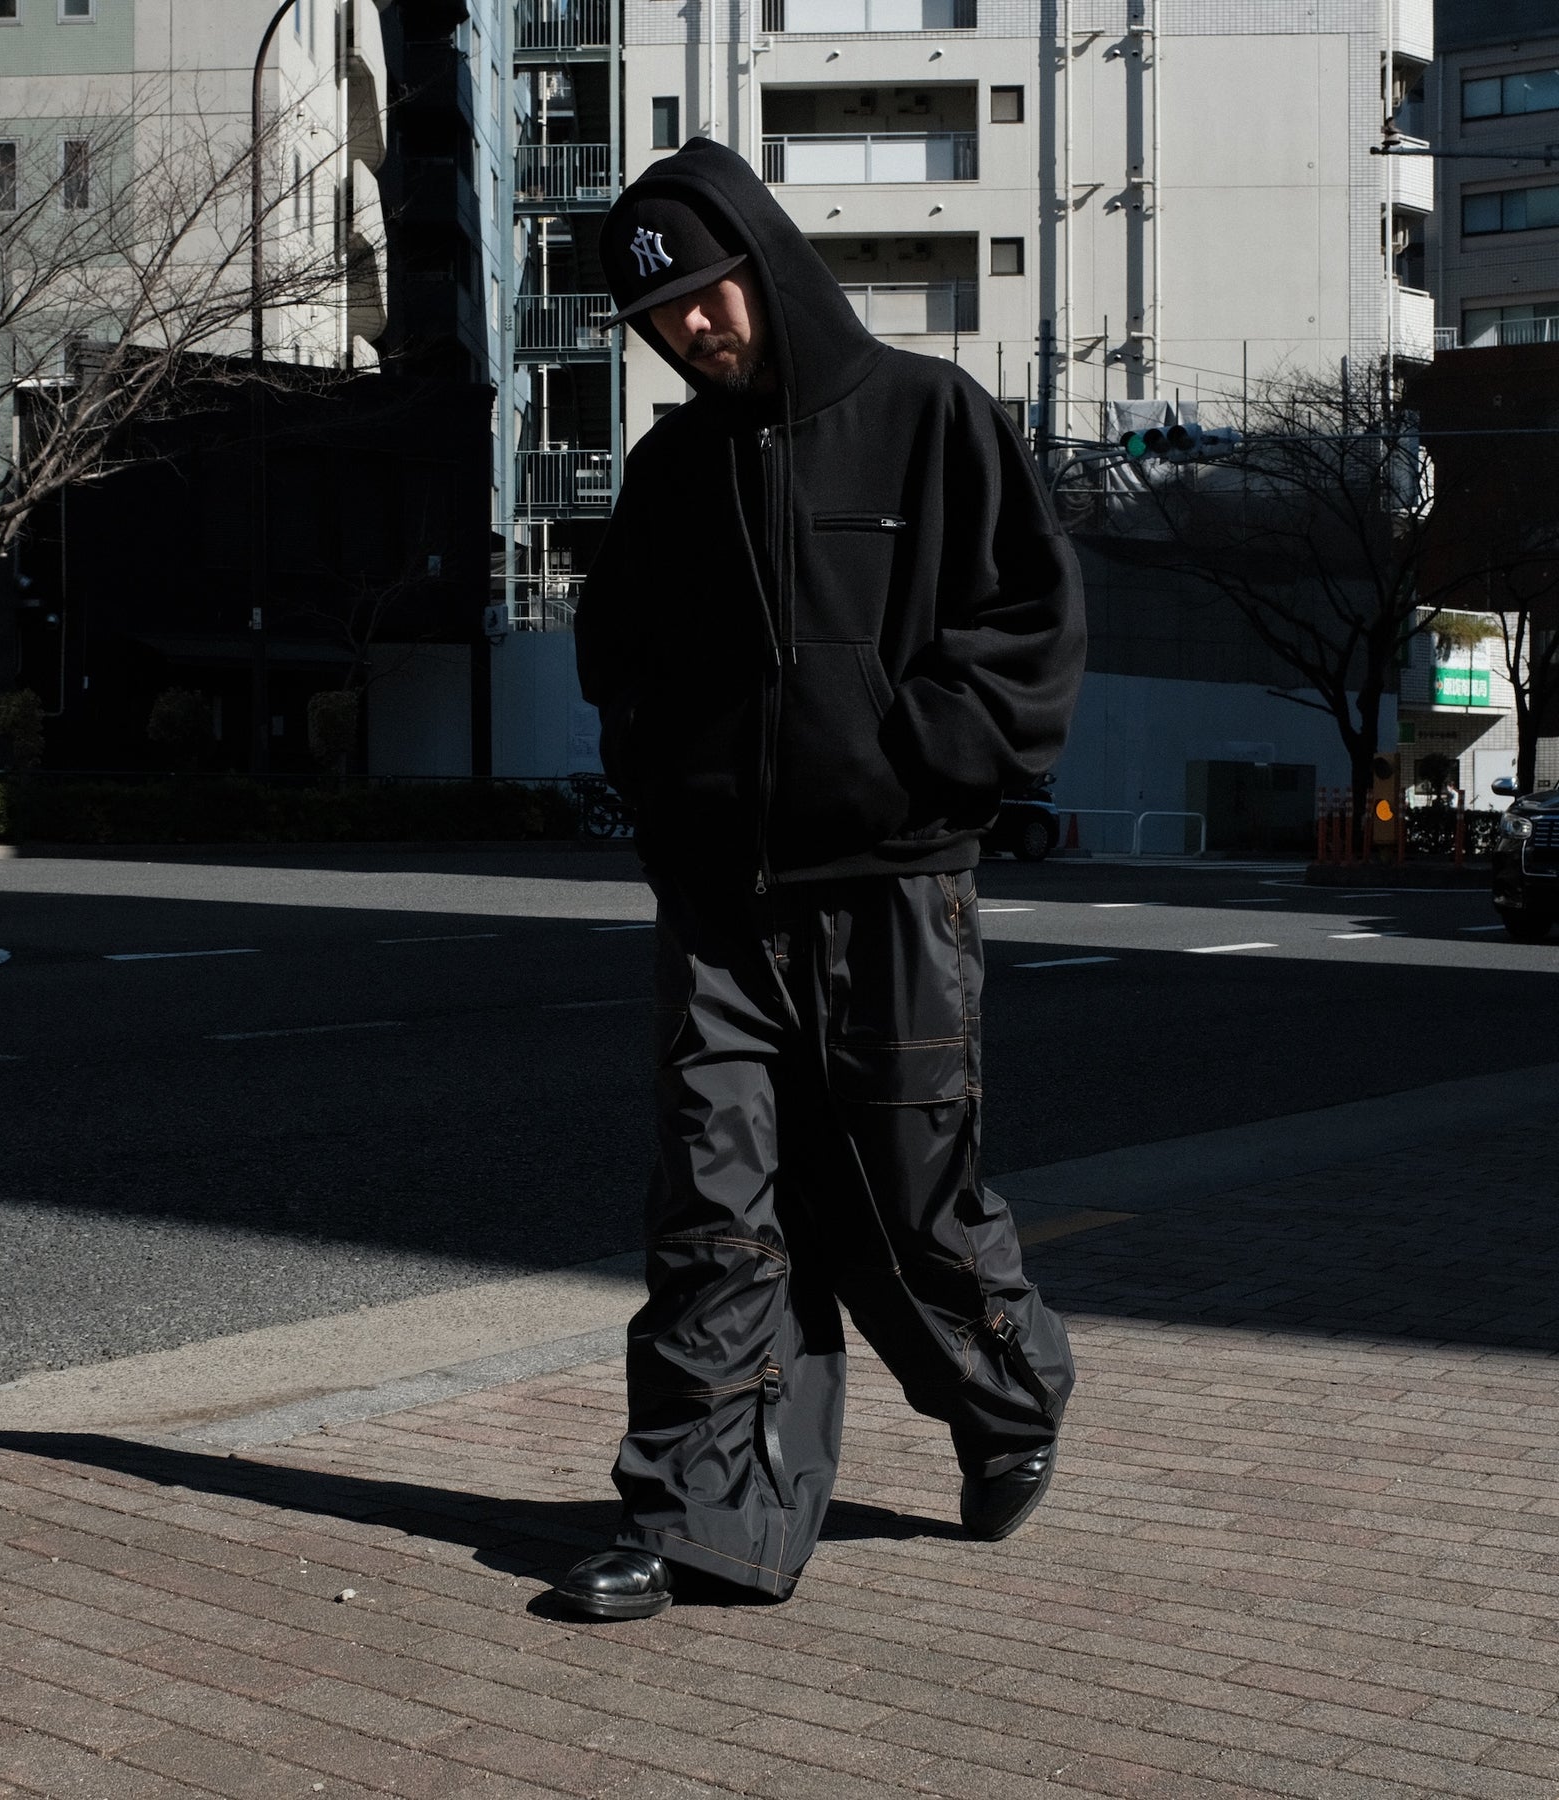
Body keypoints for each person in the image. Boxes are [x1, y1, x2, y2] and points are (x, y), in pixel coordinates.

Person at [558, 138, 1086, 1621]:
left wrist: (917, 761)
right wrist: (667, 801)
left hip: (896, 889)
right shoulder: (672, 471)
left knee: (905, 1201)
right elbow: (624, 664)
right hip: (723, 904)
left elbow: (1032, 621)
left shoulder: (930, 418)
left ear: (763, 266)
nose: (693, 331)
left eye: (709, 296)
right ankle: (698, 1516)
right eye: (663, 320)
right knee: (716, 1207)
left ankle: (1010, 1396)